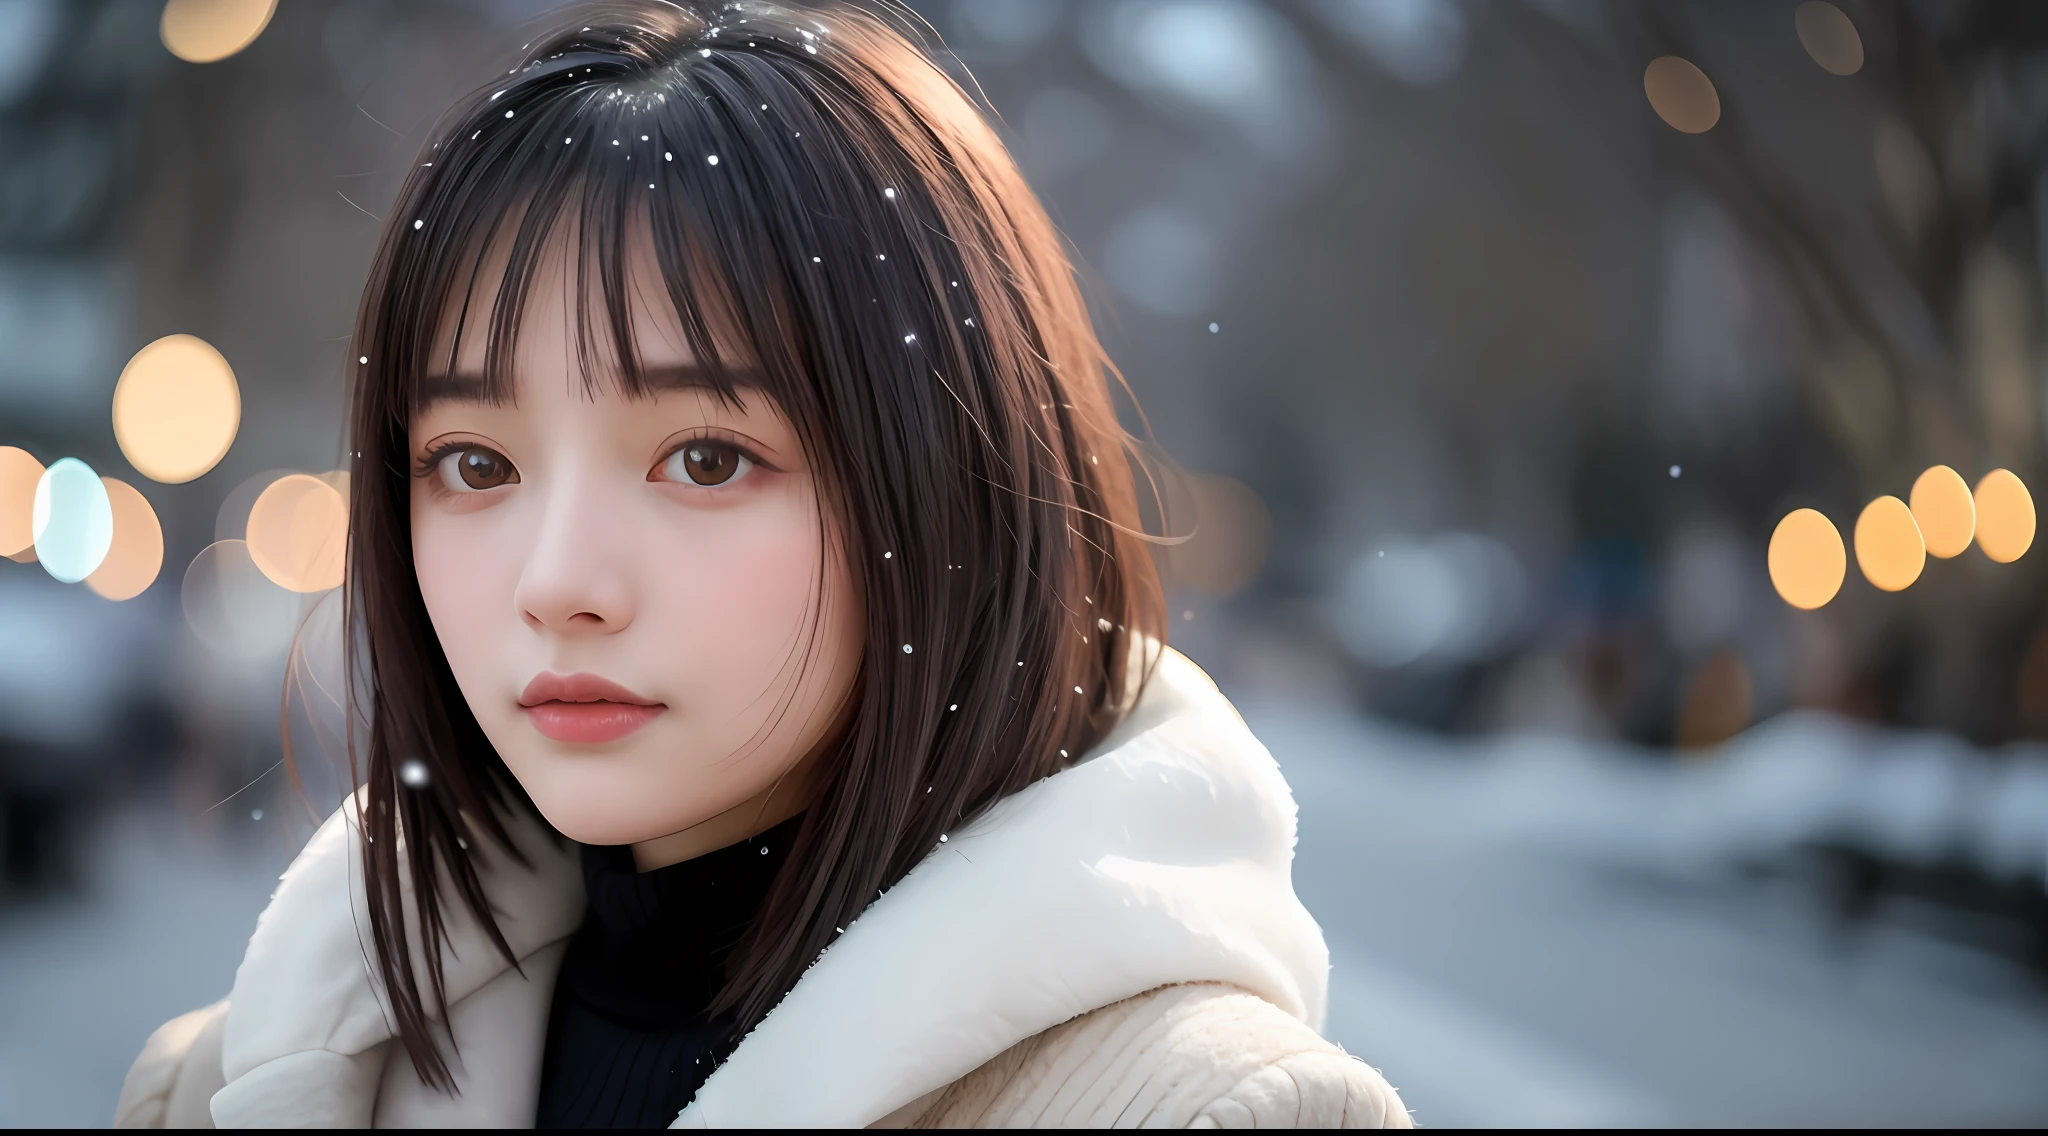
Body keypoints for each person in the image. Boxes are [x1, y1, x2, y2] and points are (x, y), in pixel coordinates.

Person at [113, 1, 1409, 1127]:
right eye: (476, 465)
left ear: (948, 485)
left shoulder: (1218, 1115)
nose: (556, 583)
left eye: (706, 459)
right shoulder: (233, 1087)